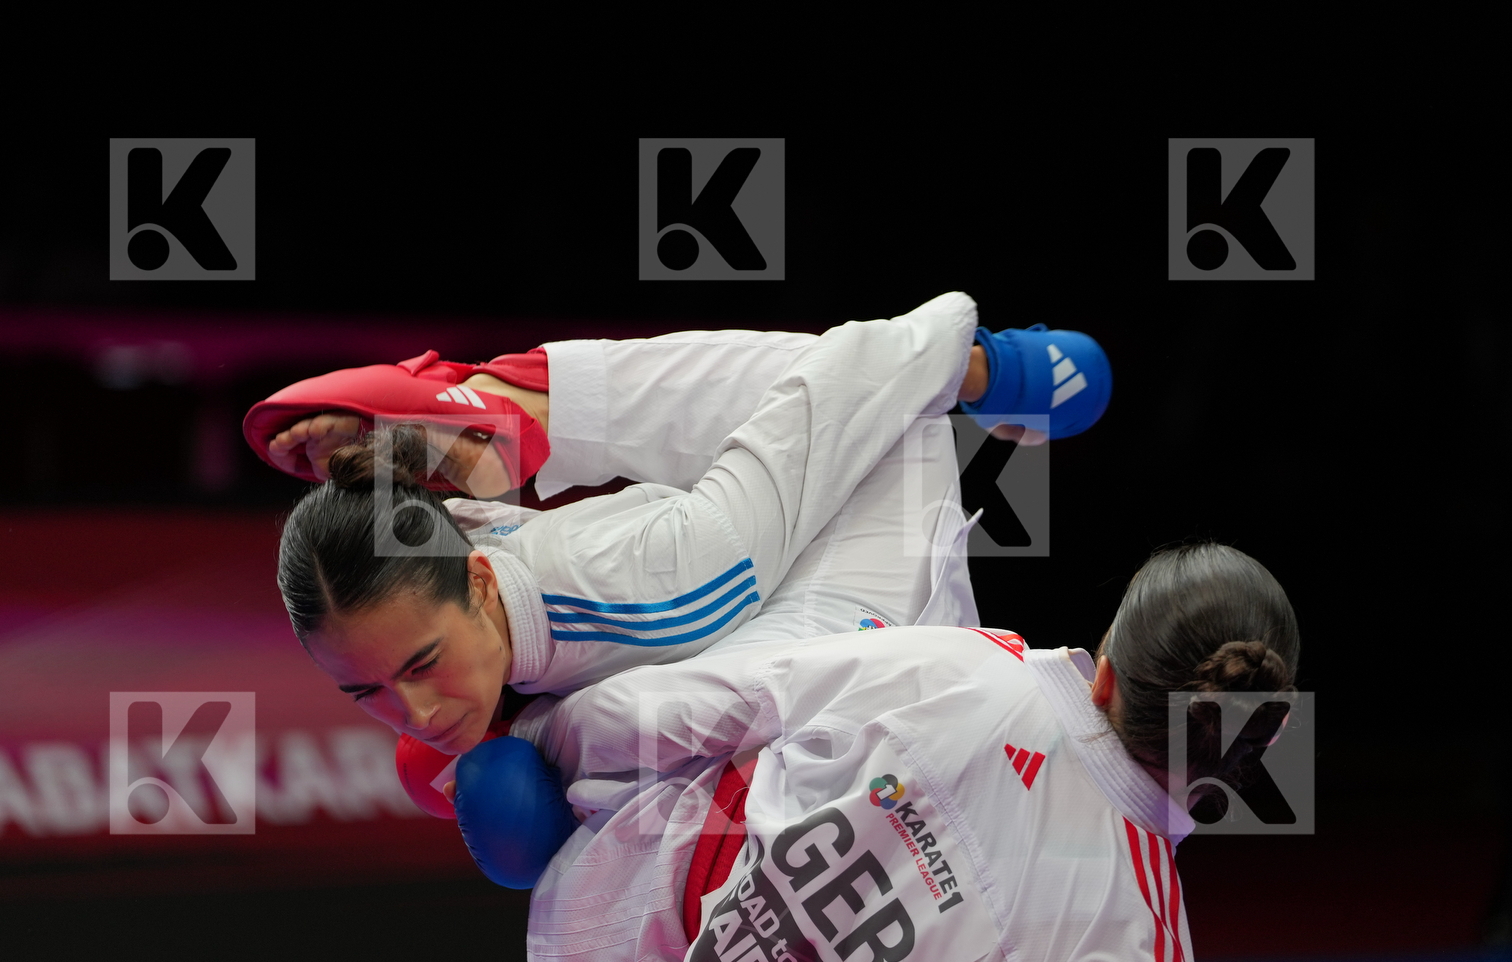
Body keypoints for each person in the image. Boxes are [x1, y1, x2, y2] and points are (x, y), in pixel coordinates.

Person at [266, 295, 1114, 813]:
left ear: (482, 589)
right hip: (709, 547)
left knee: (687, 746)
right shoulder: (447, 556)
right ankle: (474, 406)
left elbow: (824, 412)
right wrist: (420, 452)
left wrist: (961, 358)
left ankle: (973, 371)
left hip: (852, 530)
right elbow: (432, 530)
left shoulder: (659, 576)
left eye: (420, 663)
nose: (413, 714)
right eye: (365, 689)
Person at [486, 541, 1299, 962]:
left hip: (603, 926)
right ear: (1264, 743)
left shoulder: (970, 666)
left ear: (1106, 672)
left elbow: (717, 701)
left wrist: (530, 738)